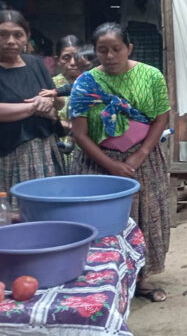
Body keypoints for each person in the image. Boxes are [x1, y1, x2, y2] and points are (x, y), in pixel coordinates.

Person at [70, 22, 171, 303]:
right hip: (97, 163)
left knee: (145, 217)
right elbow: (80, 134)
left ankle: (142, 279)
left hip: (144, 160)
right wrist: (111, 165)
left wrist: (139, 155)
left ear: (129, 48)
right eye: (103, 50)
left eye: (116, 49)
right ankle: (103, 283)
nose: (110, 56)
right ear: (95, 52)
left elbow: (161, 118)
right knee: (102, 223)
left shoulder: (151, 76)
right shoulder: (86, 83)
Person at [0, 9, 64, 195]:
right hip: (5, 152)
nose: (10, 41)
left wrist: (49, 101)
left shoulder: (35, 64)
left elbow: (58, 101)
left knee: (48, 203)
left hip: (44, 150)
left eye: (18, 35)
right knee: (10, 207)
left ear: (27, 37)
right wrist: (33, 107)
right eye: (2, 34)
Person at [39, 35, 83, 163]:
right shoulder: (49, 85)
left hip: (88, 149)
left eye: (77, 57)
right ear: (57, 60)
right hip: (58, 148)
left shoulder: (94, 82)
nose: (73, 63)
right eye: (66, 57)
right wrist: (66, 125)